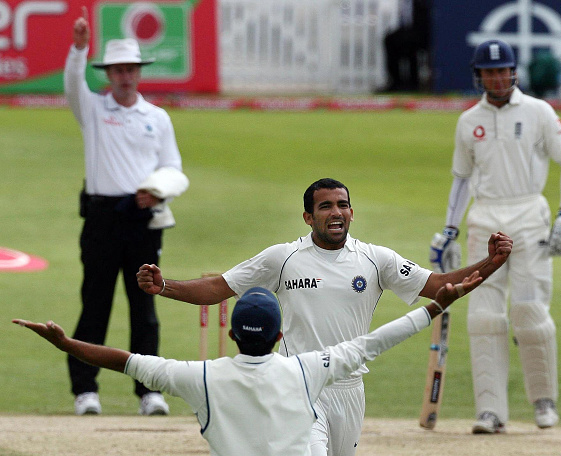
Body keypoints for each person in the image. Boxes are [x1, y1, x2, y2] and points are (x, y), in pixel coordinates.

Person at [137, 178, 513, 455]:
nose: (336, 213)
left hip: (349, 386)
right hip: (299, 381)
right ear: (308, 216)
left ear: (352, 212)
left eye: (342, 205)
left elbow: (440, 286)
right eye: (326, 206)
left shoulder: (375, 258)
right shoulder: (282, 257)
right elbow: (220, 288)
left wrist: (491, 263)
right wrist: (164, 286)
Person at [14, 273, 482, 456]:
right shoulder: (306, 367)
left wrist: (66, 344)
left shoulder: (200, 376)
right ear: (281, 338)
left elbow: (126, 361)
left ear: (233, 334)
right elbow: (375, 341)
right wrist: (435, 307)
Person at [429, 39, 561, 434]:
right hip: (485, 220)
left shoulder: (538, 111)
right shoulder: (468, 121)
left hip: (530, 215)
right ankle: (490, 412)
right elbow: (461, 179)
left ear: (513, 71)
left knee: (529, 312)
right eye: (489, 71)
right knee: (483, 317)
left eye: (503, 70)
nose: (497, 78)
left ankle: (544, 402)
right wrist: (449, 229)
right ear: (478, 75)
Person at [64, 8, 189, 416]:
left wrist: (157, 192)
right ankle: (86, 390)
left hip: (142, 222)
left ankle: (148, 390)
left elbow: (174, 168)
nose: (125, 76)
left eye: (131, 69)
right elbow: (71, 85)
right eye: (117, 70)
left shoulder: (156, 117)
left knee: (144, 306)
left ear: (140, 71)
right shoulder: (94, 111)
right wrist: (79, 49)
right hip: (101, 219)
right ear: (108, 73)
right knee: (95, 304)